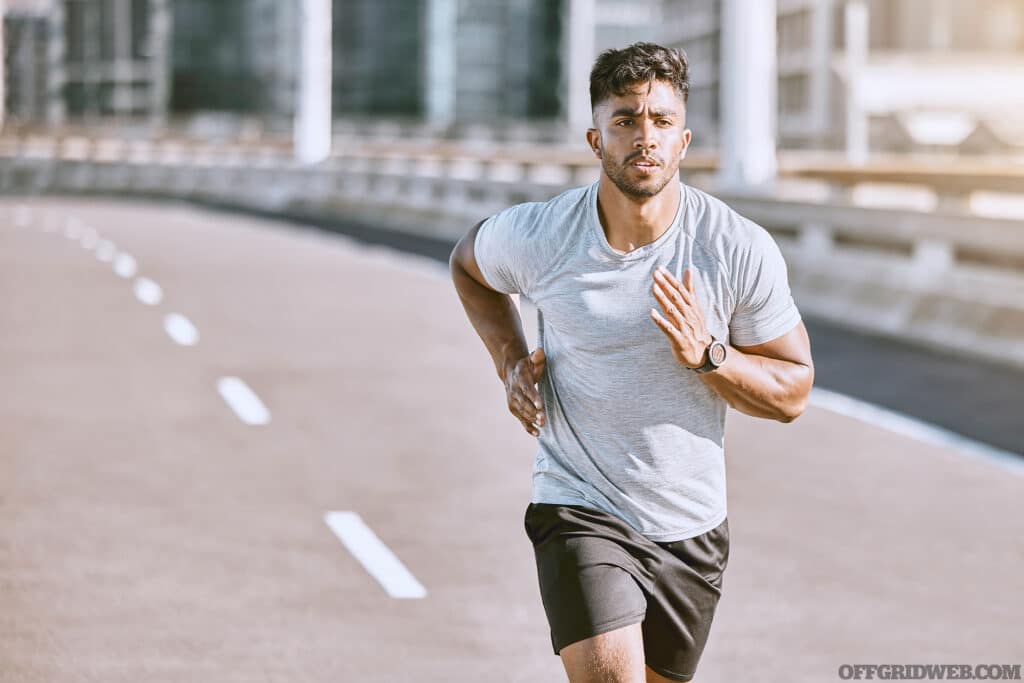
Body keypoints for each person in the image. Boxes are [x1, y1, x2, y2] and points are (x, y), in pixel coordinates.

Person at [449, 42, 814, 683]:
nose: (643, 137)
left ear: (683, 139)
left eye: (660, 122)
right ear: (596, 139)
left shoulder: (735, 248)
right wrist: (509, 359)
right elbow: (468, 265)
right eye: (624, 121)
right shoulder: (543, 235)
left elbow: (792, 391)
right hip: (578, 502)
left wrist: (710, 356)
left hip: (691, 526)